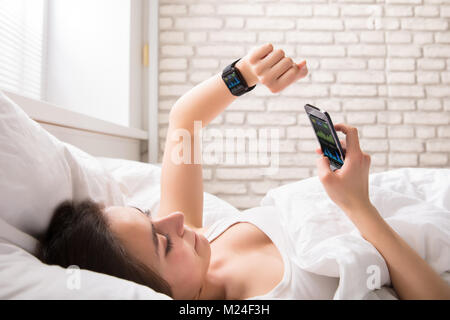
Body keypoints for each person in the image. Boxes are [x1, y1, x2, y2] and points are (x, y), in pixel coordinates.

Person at [38, 43, 450, 300]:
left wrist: (249, 74)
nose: (175, 219)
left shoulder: (199, 240)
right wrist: (358, 207)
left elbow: (185, 119)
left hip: (421, 197)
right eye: (162, 243)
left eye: (149, 217)